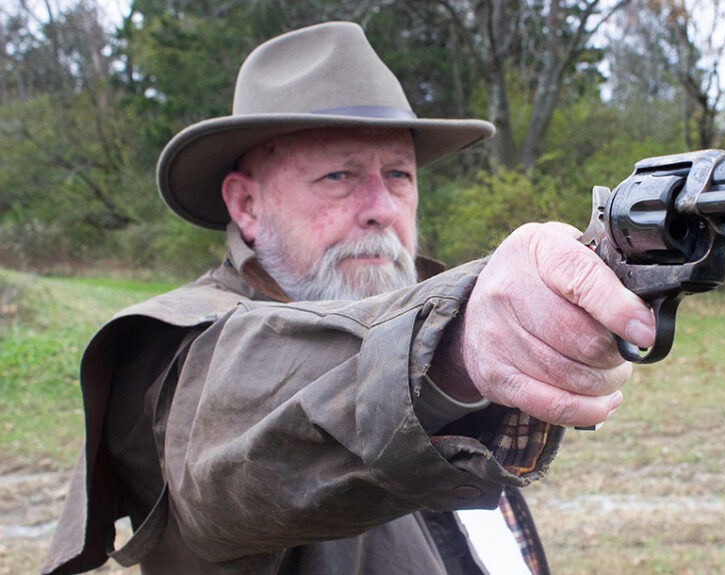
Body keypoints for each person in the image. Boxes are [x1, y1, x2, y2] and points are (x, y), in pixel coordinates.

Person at [42, 21, 655, 575]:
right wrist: (457, 348)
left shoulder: (423, 309)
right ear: (246, 205)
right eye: (339, 175)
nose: (382, 210)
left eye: (399, 175)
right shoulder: (175, 355)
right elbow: (231, 415)